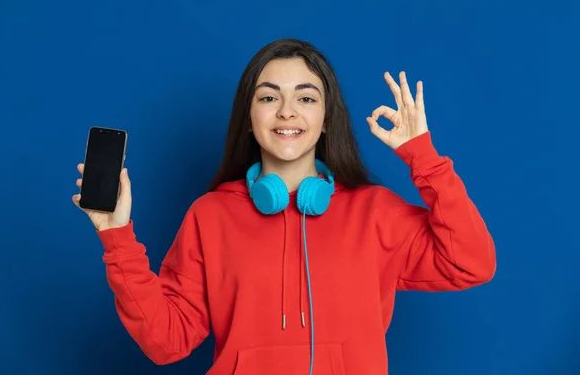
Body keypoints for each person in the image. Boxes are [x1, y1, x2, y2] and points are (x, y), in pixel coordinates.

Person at [72, 38, 496, 375]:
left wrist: (423, 158)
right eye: (269, 97)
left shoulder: (375, 213)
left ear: (327, 117)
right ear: (250, 114)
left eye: (307, 98)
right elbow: (166, 342)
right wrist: (117, 237)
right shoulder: (211, 215)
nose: (287, 111)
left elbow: (471, 262)